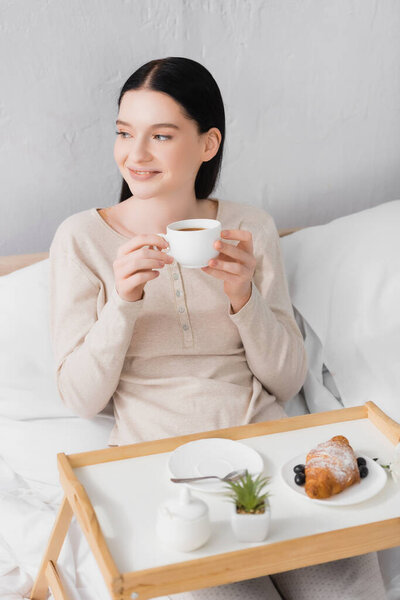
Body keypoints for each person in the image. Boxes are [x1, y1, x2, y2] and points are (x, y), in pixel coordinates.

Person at [49, 57, 386, 600]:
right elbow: (81, 397)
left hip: (269, 452)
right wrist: (123, 301)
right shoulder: (81, 240)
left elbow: (285, 379)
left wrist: (244, 298)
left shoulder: (250, 228)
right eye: (123, 133)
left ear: (208, 144)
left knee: (351, 586)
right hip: (166, 470)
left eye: (160, 135)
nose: (134, 155)